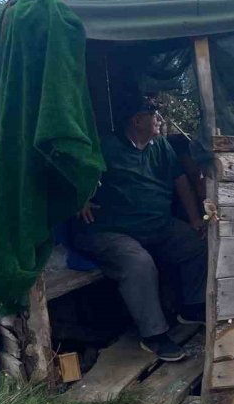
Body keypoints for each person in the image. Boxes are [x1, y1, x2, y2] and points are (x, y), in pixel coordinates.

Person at [72, 92, 206, 361]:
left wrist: (194, 219)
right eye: (154, 115)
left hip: (157, 226)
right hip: (111, 231)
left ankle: (192, 308)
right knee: (139, 263)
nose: (159, 120)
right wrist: (81, 198)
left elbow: (180, 181)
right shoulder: (106, 147)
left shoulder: (161, 147)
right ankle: (154, 336)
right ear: (136, 120)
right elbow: (78, 171)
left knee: (195, 243)